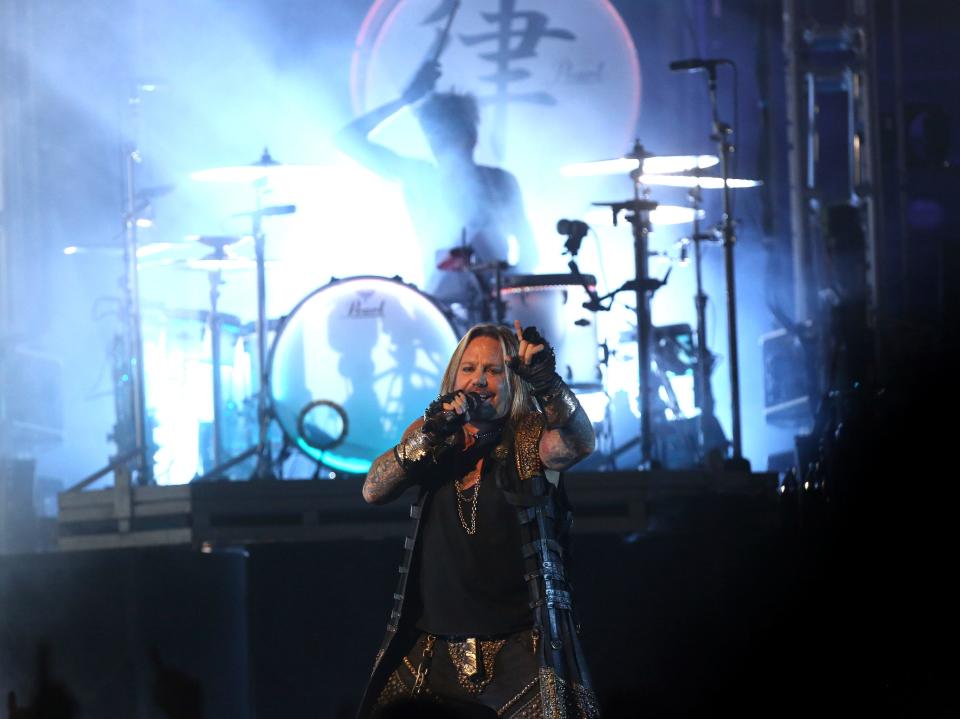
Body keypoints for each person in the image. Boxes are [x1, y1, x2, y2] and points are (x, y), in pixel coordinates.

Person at [357, 321, 600, 718]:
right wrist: (432, 433)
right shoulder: (431, 437)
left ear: (513, 380)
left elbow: (578, 442)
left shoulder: (530, 435)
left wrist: (547, 381)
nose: (478, 381)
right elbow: (373, 490)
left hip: (521, 651)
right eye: (468, 369)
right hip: (432, 650)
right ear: (454, 377)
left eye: (492, 370)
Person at [333, 62, 537, 314]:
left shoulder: (500, 182)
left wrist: (501, 289)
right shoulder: (420, 178)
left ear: (471, 137)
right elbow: (346, 139)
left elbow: (530, 252)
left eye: (451, 135)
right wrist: (405, 101)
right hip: (441, 312)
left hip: (498, 312)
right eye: (437, 137)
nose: (443, 144)